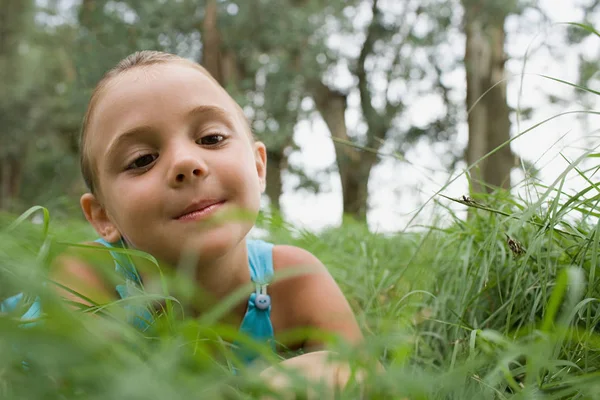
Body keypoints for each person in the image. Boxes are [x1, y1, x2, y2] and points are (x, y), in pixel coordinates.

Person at [49, 50, 364, 392]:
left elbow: (373, 381)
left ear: (259, 168)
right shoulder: (88, 279)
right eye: (142, 160)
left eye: (211, 138)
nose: (186, 162)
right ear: (103, 216)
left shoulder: (295, 281)